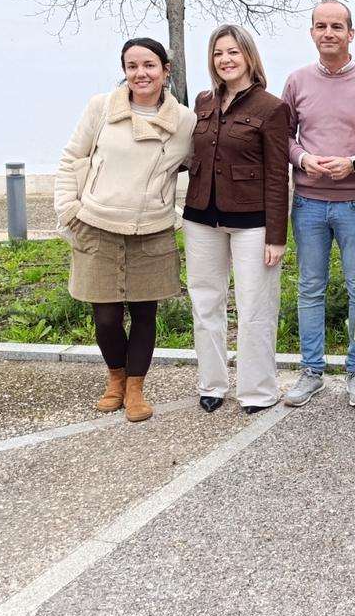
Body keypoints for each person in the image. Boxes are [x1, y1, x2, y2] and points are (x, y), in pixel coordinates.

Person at [54, 38, 195, 422]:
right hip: (97, 225)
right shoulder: (101, 107)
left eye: (149, 65)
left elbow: (197, 166)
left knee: (145, 315)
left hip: (151, 230)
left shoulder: (184, 120)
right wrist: (69, 210)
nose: (140, 73)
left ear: (166, 69)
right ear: (124, 71)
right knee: (106, 319)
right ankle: (115, 378)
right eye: (132, 66)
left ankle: (135, 388)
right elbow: (72, 158)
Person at [281, 0, 355, 409]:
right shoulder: (296, 82)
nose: (329, 33)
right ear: (312, 32)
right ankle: (311, 372)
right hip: (308, 202)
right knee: (310, 288)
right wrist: (303, 159)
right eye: (321, 26)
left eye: (337, 27)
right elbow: (284, 137)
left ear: (351, 33)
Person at [184, 25, 291, 415]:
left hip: (252, 222)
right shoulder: (203, 101)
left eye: (233, 52)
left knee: (255, 307)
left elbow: (279, 175)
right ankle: (211, 384)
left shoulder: (271, 108)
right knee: (205, 302)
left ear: (248, 56)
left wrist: (276, 235)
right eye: (217, 54)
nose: (225, 60)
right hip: (200, 217)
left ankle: (258, 391)